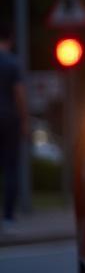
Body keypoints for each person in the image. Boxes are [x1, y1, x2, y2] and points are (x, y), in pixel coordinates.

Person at [0, 20, 29, 228]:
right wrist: (25, 120)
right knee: (11, 167)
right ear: (10, 38)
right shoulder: (12, 63)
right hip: (9, 119)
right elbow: (19, 94)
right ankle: (8, 216)